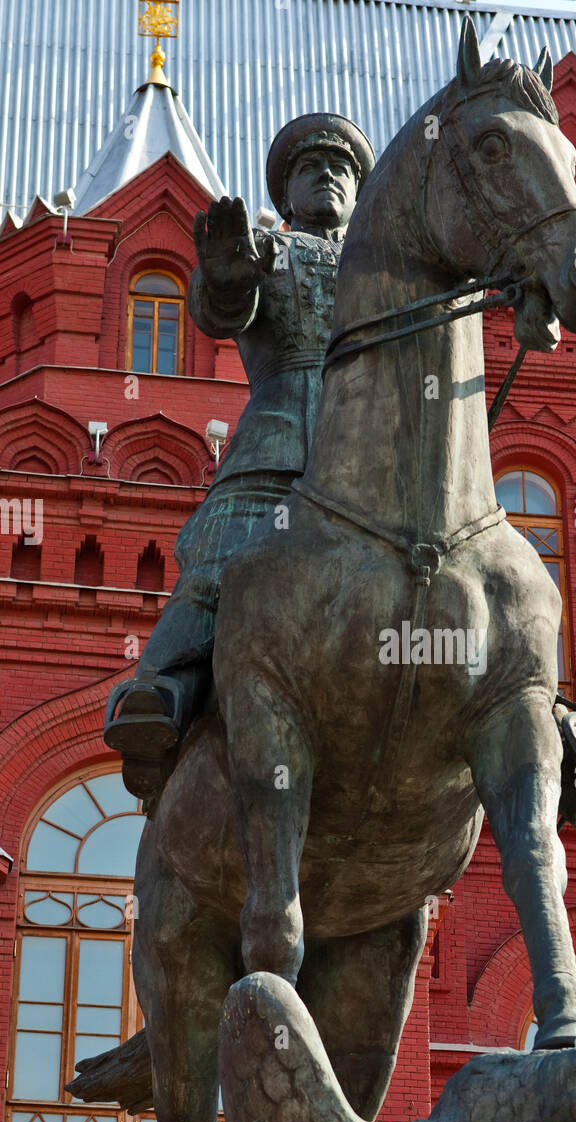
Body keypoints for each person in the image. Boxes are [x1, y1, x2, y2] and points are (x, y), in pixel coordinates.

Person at [105, 114, 374, 800]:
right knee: (220, 564)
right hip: (275, 448)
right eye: (311, 169)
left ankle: (548, 716)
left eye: (341, 169)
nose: (328, 177)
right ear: (287, 196)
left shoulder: (386, 269)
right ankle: (155, 694)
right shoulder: (264, 248)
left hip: (377, 460)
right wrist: (223, 276)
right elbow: (223, 308)